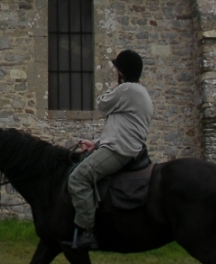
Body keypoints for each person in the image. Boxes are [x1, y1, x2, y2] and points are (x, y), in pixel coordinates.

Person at [65, 49, 153, 251]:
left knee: (78, 178)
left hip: (119, 151)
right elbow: (122, 126)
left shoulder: (127, 90)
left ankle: (87, 233)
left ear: (122, 72)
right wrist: (97, 143)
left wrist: (116, 85)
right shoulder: (138, 92)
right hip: (122, 146)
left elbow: (102, 104)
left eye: (117, 69)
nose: (115, 73)